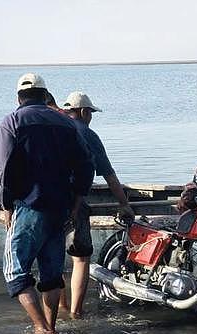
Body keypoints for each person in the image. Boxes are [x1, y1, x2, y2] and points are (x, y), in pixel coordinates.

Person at [0, 74, 94, 334]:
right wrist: (76, 201)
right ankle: (51, 329)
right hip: (59, 208)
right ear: (45, 95)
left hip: (28, 205)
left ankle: (42, 330)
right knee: (51, 272)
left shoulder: (11, 122)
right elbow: (86, 165)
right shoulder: (65, 123)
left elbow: (1, 169)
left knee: (14, 271)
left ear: (18, 99)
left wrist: (4, 206)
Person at [58, 91, 135, 317]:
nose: (90, 117)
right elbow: (109, 175)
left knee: (52, 258)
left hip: (49, 200)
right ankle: (75, 312)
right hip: (75, 201)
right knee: (81, 258)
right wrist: (124, 204)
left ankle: (59, 307)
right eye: (90, 113)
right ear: (83, 112)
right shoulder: (87, 134)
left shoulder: (55, 128)